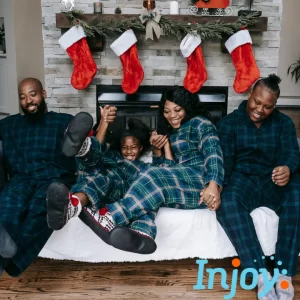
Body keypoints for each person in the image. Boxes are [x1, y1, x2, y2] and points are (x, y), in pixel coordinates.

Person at [65, 86, 224, 255]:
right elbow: (170, 170)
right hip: (183, 184)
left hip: (199, 182)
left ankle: (111, 217)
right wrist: (164, 148)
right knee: (146, 190)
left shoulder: (200, 123)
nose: (172, 116)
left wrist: (213, 185)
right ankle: (142, 232)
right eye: (167, 111)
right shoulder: (173, 132)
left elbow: (213, 152)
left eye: (177, 110)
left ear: (187, 108)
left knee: (151, 175)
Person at [46, 105, 175, 254]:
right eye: (124, 147)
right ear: (119, 148)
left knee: (147, 202)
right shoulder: (115, 158)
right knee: (99, 177)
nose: (128, 151)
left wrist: (164, 146)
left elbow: (168, 171)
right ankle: (72, 203)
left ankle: (142, 236)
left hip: (130, 194)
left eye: (133, 147)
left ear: (140, 148)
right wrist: (104, 122)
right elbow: (98, 156)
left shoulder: (145, 167)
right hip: (110, 185)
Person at [216, 74, 300, 300]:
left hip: (272, 179)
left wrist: (287, 168)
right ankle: (260, 272)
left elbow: (292, 152)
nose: (260, 109)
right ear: (250, 94)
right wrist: (218, 186)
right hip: (243, 179)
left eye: (268, 106)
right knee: (227, 203)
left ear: (275, 106)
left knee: (297, 196)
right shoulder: (228, 124)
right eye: (257, 102)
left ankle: (283, 272)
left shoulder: (284, 123)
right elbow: (225, 162)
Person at [0, 78, 76, 277]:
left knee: (40, 209)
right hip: (21, 178)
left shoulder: (63, 121)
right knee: (8, 204)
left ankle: (10, 256)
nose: (28, 100)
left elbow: (85, 144)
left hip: (53, 178)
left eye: (32, 94)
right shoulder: (9, 125)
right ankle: (7, 254)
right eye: (23, 97)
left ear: (43, 94)